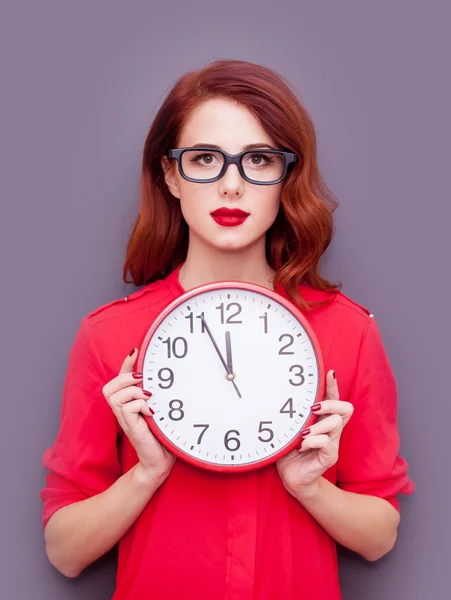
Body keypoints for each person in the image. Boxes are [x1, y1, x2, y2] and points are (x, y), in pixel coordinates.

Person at [40, 59, 415, 600]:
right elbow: (64, 552)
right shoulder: (109, 336)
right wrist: (145, 472)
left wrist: (310, 489)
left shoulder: (347, 332)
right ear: (170, 174)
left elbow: (380, 537)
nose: (232, 186)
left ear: (287, 175)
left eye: (258, 159)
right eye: (205, 159)